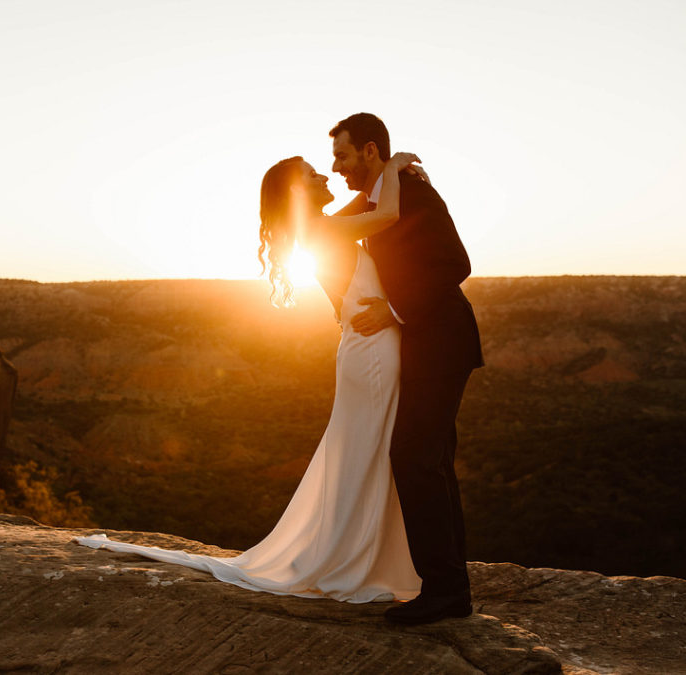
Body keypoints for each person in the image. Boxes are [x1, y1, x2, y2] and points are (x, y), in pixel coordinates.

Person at [76, 151, 426, 604]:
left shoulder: (317, 226)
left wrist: (379, 178)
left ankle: (355, 554)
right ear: (298, 192)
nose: (323, 173)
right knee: (369, 452)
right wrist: (394, 165)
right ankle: (352, 560)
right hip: (371, 352)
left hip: (365, 348)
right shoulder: (320, 230)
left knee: (363, 450)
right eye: (310, 174)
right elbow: (387, 213)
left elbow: (363, 205)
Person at [328, 113, 484, 624]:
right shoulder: (382, 194)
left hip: (440, 342)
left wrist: (393, 311)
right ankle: (449, 588)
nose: (338, 168)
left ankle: (443, 591)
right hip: (421, 345)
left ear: (369, 151)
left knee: (414, 456)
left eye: (344, 156)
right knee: (431, 459)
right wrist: (391, 167)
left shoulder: (415, 196)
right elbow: (332, 226)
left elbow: (456, 263)